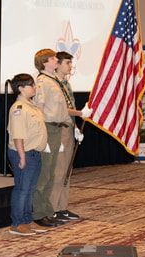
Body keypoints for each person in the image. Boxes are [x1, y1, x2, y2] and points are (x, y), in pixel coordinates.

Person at [50, 51, 92, 221]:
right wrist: (80, 113)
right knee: (58, 171)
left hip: (68, 128)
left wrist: (75, 126)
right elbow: (59, 110)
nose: (70, 66)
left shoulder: (65, 83)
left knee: (67, 171)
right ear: (57, 64)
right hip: (57, 130)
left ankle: (62, 207)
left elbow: (69, 106)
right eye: (67, 62)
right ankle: (52, 209)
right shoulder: (52, 84)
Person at [30, 48, 68, 230]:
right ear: (45, 62)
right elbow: (40, 109)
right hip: (47, 129)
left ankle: (47, 210)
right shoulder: (42, 82)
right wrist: (43, 135)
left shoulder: (54, 80)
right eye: (53, 59)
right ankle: (38, 213)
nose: (56, 61)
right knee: (44, 174)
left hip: (56, 129)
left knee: (51, 173)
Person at [6, 73, 47, 236]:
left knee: (30, 189)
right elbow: (18, 136)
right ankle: (17, 223)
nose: (34, 88)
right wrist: (22, 157)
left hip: (34, 152)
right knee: (22, 189)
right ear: (21, 88)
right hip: (24, 153)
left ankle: (27, 219)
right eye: (31, 85)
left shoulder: (31, 106)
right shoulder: (19, 108)